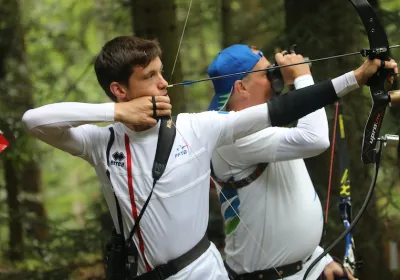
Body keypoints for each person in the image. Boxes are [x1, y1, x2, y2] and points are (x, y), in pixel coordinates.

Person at [21, 36, 396, 280]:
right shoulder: (98, 141)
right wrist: (117, 114)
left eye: (162, 73)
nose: (162, 83)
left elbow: (280, 111)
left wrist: (358, 77)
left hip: (207, 271)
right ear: (120, 89)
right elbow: (34, 120)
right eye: (150, 77)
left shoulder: (197, 127)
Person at [208, 44, 397, 280]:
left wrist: (319, 257)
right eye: (267, 73)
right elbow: (316, 139)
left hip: (307, 267)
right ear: (241, 86)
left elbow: (289, 200)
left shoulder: (263, 123)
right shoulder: (230, 136)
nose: (275, 76)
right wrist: (302, 76)